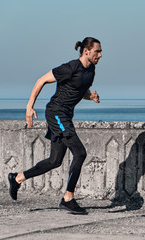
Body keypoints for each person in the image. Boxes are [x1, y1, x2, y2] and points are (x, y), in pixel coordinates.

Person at [8, 37, 102, 214]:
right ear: (86, 51)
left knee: (54, 161)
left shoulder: (92, 71)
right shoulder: (70, 67)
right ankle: (68, 198)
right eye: (97, 51)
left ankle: (17, 178)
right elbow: (41, 80)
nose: (100, 55)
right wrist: (29, 107)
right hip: (56, 112)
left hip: (66, 115)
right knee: (80, 153)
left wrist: (90, 97)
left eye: (100, 51)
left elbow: (79, 89)